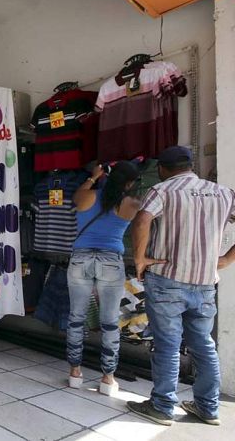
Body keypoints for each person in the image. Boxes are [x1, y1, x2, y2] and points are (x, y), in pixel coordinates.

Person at [128, 146, 235, 426]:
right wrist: (226, 259)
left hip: (167, 281)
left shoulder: (162, 190)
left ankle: (163, 406)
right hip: (205, 283)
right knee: (204, 346)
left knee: (167, 345)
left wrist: (139, 259)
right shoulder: (223, 193)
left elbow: (142, 219)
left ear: (162, 169)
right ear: (190, 165)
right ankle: (208, 408)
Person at [66, 161, 141, 395]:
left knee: (76, 317)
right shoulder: (132, 203)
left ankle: (75, 372)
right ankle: (108, 378)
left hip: (80, 259)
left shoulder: (86, 196)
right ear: (129, 183)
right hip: (111, 261)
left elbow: (77, 196)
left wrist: (93, 177)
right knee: (109, 322)